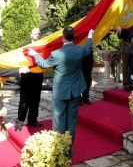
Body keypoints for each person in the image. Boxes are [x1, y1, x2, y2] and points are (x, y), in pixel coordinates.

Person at [28, 27, 94, 157]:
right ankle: (68, 151)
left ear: (63, 38)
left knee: (58, 121)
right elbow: (88, 48)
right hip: (75, 92)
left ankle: (59, 151)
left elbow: (43, 65)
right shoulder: (80, 50)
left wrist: (34, 54)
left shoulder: (56, 54)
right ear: (73, 38)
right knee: (71, 122)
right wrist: (90, 35)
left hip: (60, 93)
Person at [15, 28, 43, 131]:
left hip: (38, 77)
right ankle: (20, 122)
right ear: (31, 35)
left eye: (39, 34)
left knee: (36, 100)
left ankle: (32, 120)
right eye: (35, 34)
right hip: (26, 77)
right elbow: (18, 59)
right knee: (24, 101)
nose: (37, 35)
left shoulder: (43, 46)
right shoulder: (24, 46)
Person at [117, 27, 133, 91]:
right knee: (125, 67)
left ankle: (131, 82)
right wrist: (120, 31)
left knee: (132, 67)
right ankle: (125, 84)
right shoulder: (125, 25)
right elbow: (119, 37)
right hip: (125, 48)